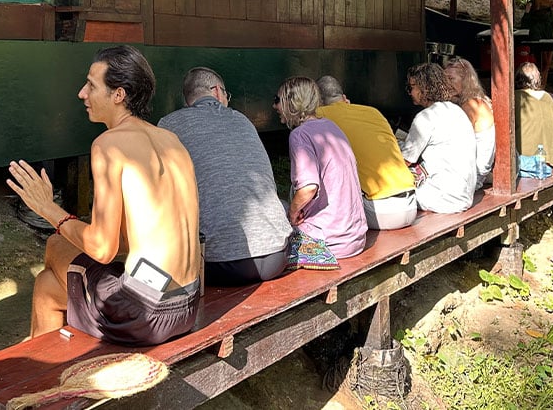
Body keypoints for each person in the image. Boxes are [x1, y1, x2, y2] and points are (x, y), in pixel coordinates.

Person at [7, 46, 202, 346]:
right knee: (47, 287)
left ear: (119, 95)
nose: (81, 94)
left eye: (91, 85)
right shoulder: (171, 140)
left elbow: (103, 248)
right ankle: (42, 369)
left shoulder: (109, 145)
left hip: (146, 313)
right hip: (186, 305)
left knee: (55, 244)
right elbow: (133, 239)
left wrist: (47, 208)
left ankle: (42, 376)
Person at [158, 67, 291, 287]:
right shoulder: (243, 120)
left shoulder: (168, 124)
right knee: (281, 203)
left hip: (215, 265)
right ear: (218, 92)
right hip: (277, 257)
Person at [274, 77, 367, 260]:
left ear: (291, 102)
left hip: (330, 244)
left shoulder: (299, 135)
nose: (274, 106)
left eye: (277, 100)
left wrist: (292, 213)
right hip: (356, 238)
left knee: (276, 217)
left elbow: (308, 188)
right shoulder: (331, 126)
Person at [314, 76, 417, 230]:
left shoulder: (319, 115)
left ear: (318, 101)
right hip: (410, 204)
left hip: (378, 212)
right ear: (344, 97)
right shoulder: (373, 112)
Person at [400, 64, 478, 214]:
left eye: (413, 87)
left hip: (441, 198)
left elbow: (405, 160)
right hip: (464, 196)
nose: (410, 92)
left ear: (425, 88)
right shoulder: (457, 111)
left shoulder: (425, 117)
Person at [443, 58, 495, 189]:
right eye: (444, 80)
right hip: (477, 171)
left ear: (466, 80)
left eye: (451, 79)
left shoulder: (472, 105)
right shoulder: (477, 100)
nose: (446, 84)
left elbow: (452, 142)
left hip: (473, 175)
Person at [514, 62, 553, 162]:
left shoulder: (514, 98)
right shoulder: (548, 98)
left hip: (522, 159)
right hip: (547, 159)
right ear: (538, 79)